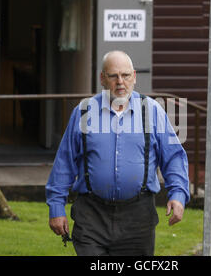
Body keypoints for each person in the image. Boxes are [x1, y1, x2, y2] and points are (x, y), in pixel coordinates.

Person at [46, 50, 190, 256]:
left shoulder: (152, 111)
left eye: (126, 75)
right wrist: (56, 208)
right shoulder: (84, 111)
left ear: (134, 77)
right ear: (102, 79)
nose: (120, 82)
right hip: (91, 216)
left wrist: (178, 193)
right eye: (113, 76)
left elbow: (173, 157)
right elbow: (65, 162)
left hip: (138, 218)